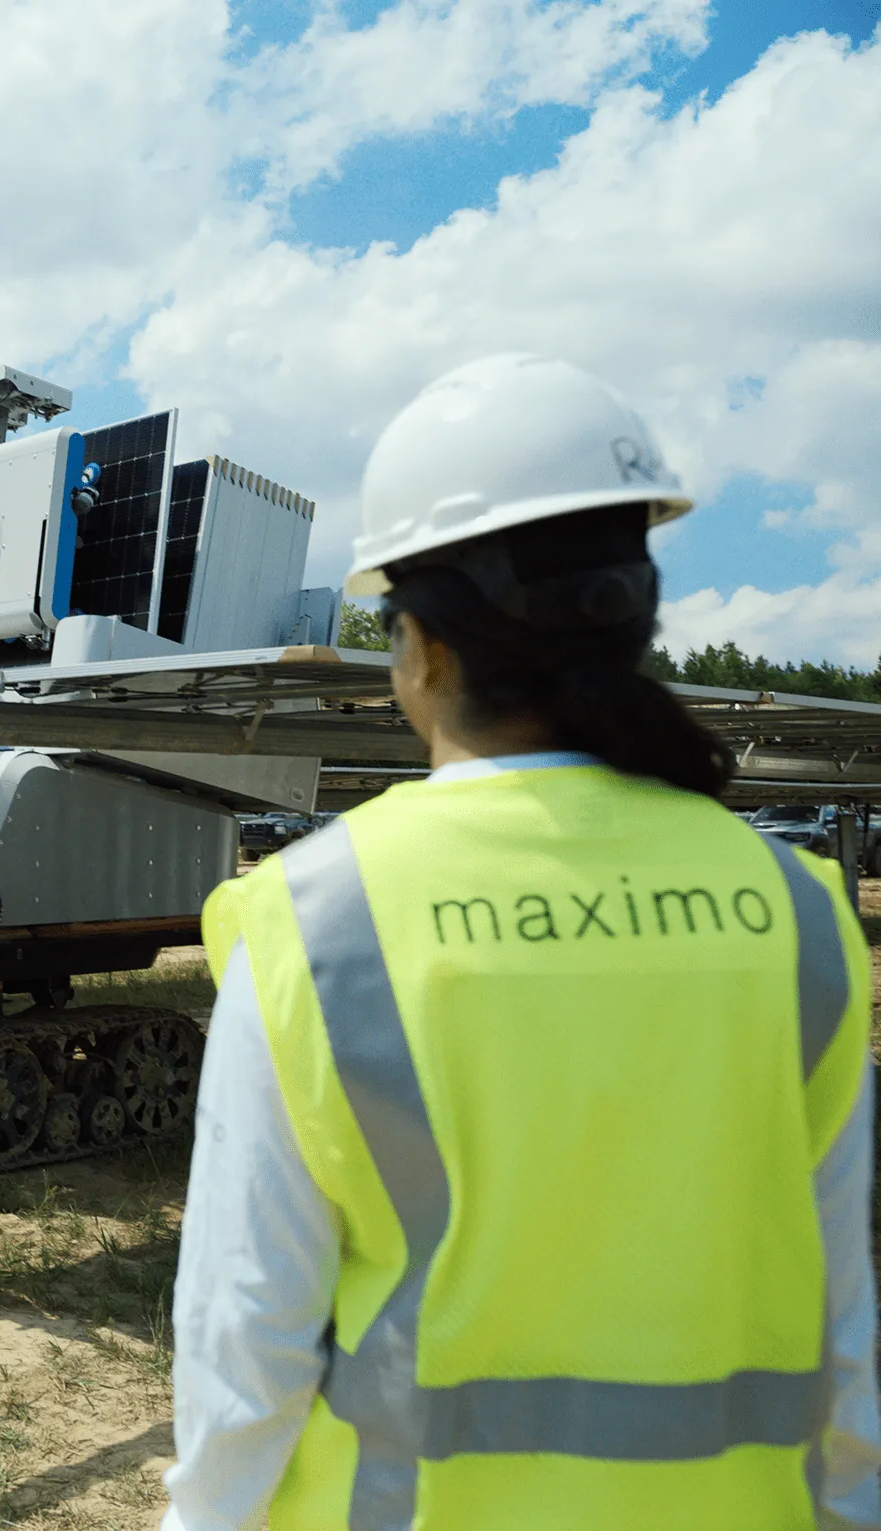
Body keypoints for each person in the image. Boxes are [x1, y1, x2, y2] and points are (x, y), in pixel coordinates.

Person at [160, 354, 878, 1530]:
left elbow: (246, 1342)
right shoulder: (795, 913)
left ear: (423, 648)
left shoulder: (313, 918)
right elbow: (842, 1320)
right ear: (634, 614)